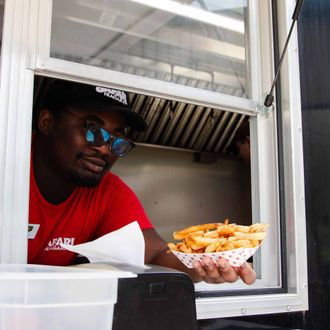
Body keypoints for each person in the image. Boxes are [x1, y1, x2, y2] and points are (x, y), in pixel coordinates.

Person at [29, 78, 256, 285]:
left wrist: (203, 262)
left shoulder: (108, 191)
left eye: (117, 139)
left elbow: (156, 253)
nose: (104, 148)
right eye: (93, 130)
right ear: (47, 122)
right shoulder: (9, 169)